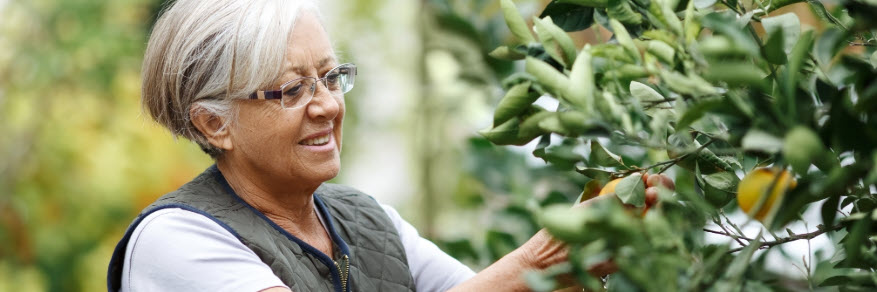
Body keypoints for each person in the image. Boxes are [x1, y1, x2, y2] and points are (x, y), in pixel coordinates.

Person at [106, 0, 673, 291]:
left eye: (331, 77)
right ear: (212, 125)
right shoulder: (175, 241)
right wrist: (540, 258)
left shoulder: (367, 221)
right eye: (290, 89)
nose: (326, 104)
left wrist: (576, 255)